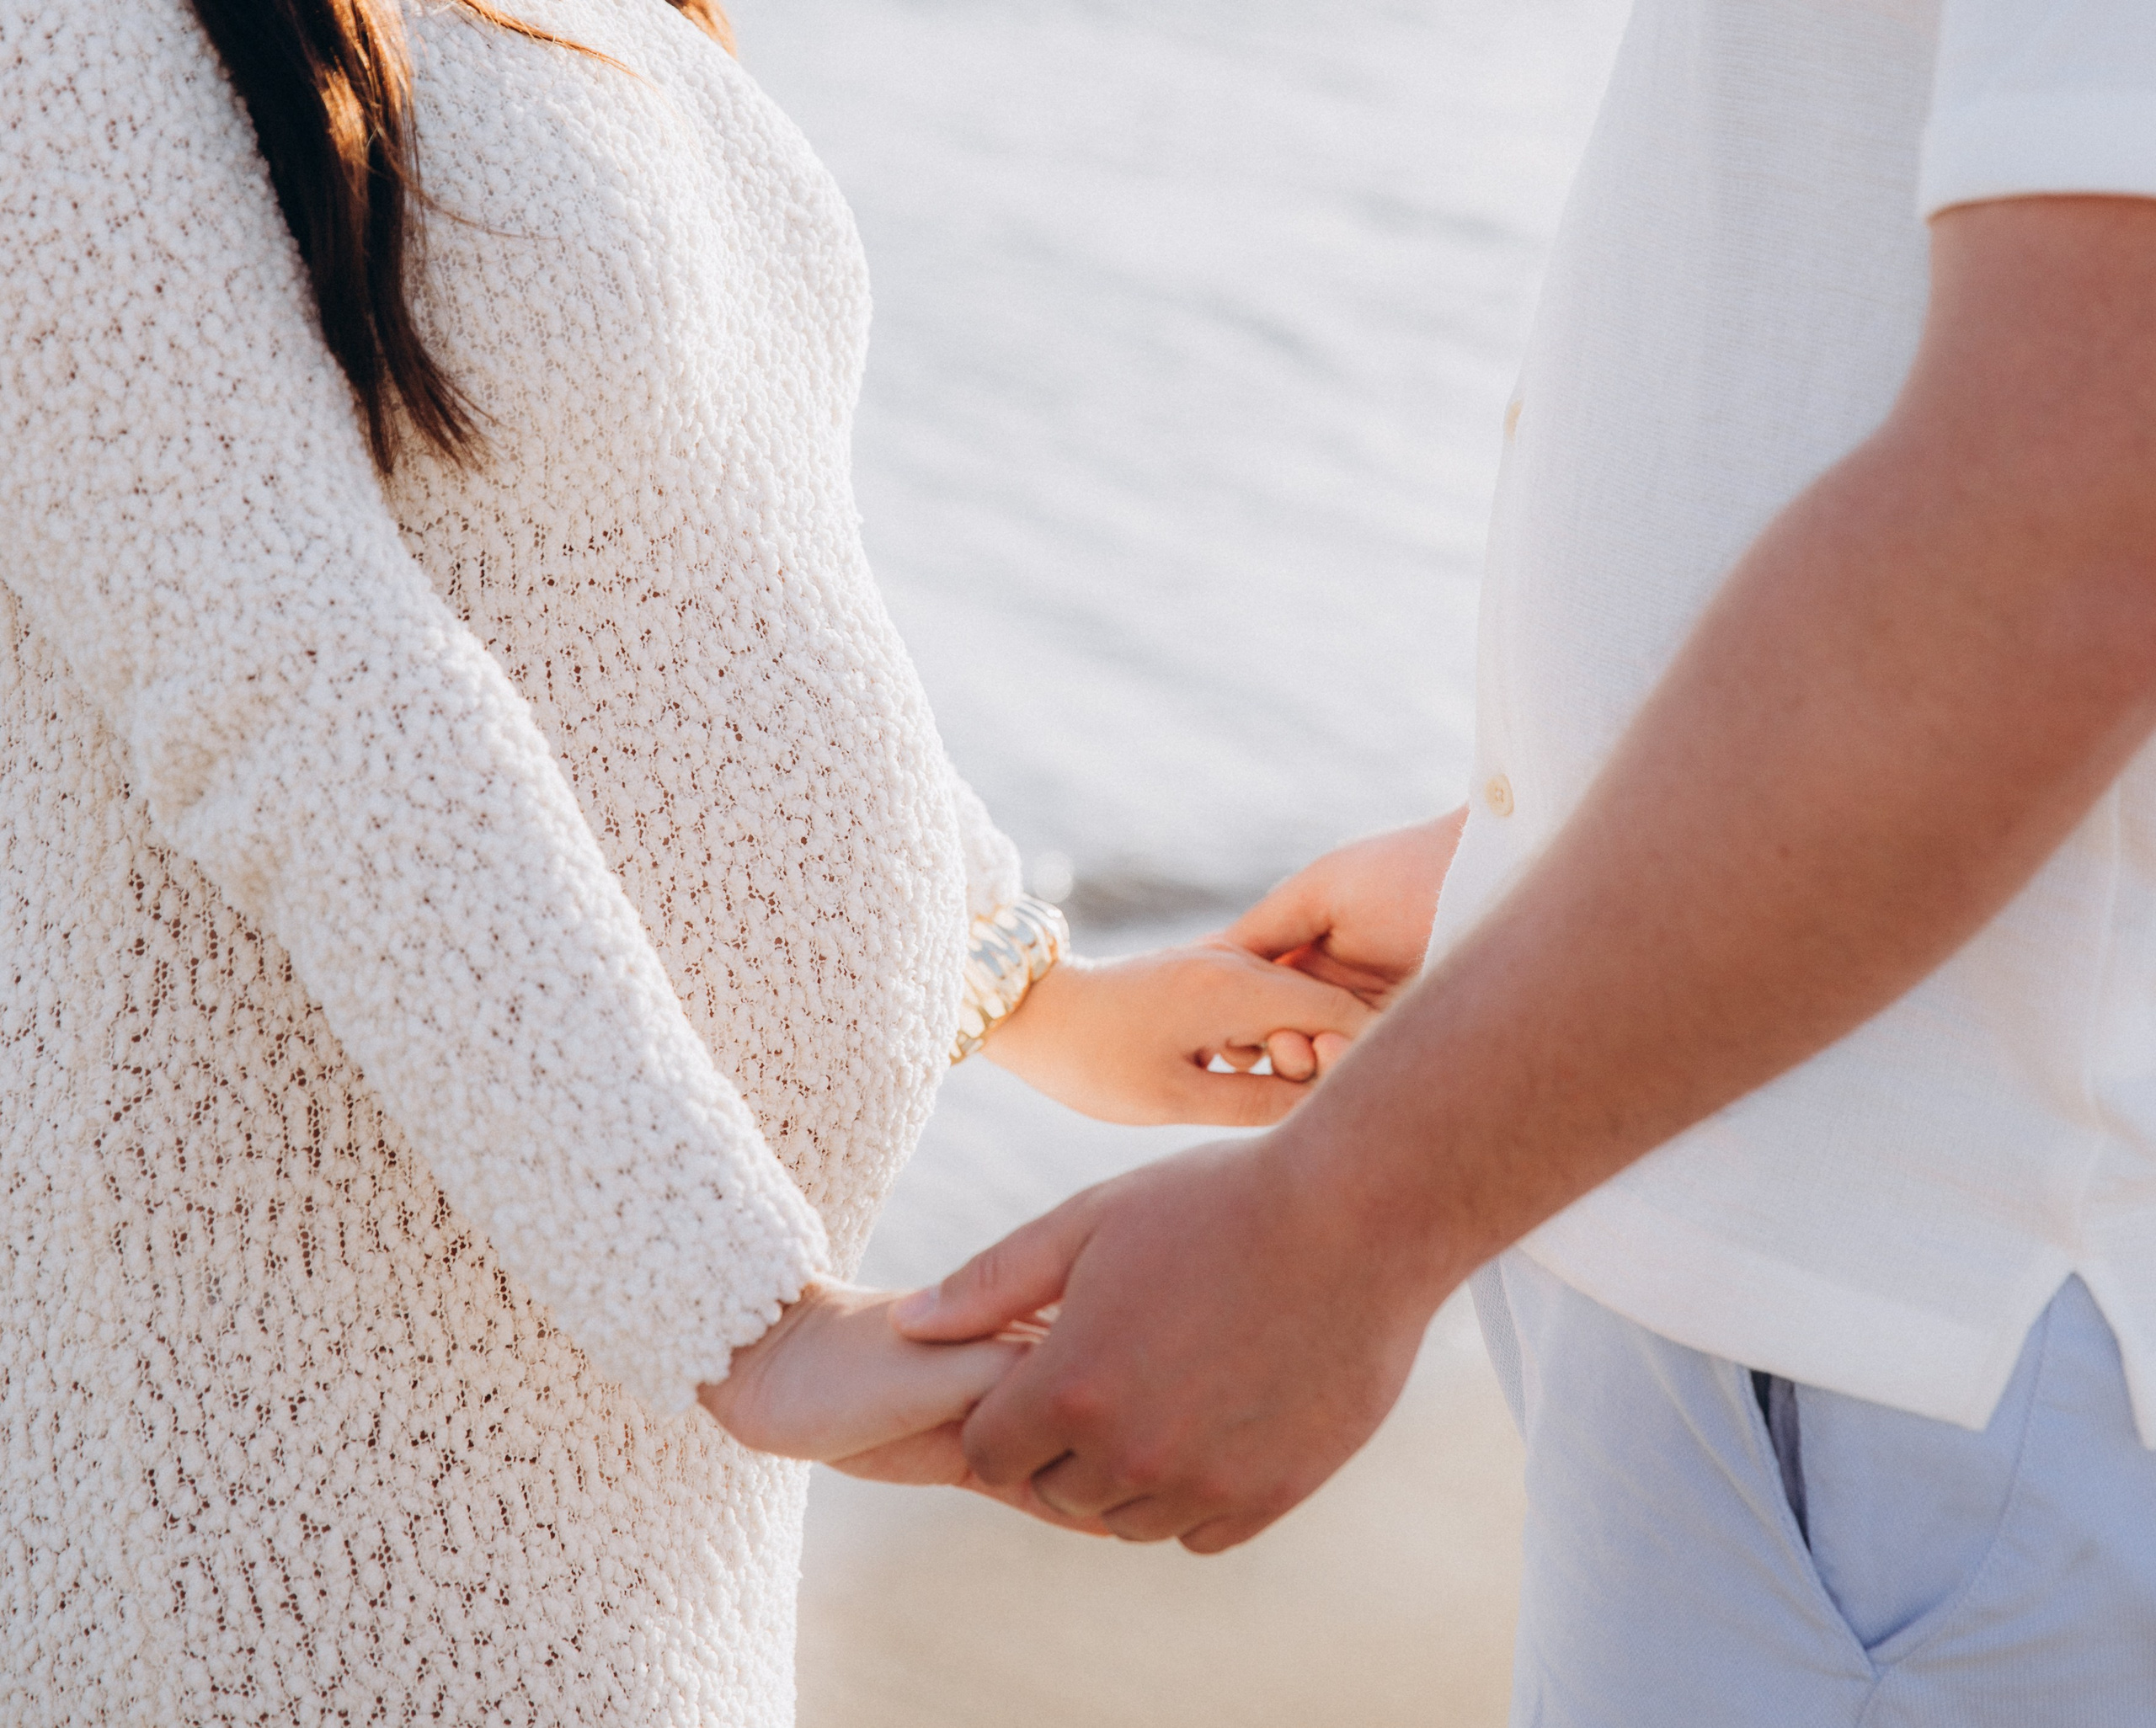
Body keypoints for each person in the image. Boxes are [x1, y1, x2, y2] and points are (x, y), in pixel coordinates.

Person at [0, 3, 1374, 1720]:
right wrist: (737, 1314)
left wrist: (1022, 986)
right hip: (317, 1337)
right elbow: (289, 675)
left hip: (642, 1313)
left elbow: (701, 556)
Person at [894, 2, 2156, 1719]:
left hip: (1913, 1351)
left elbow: (2065, 529)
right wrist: (1545, 865)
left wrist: (1346, 1221)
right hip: (1794, 1268)